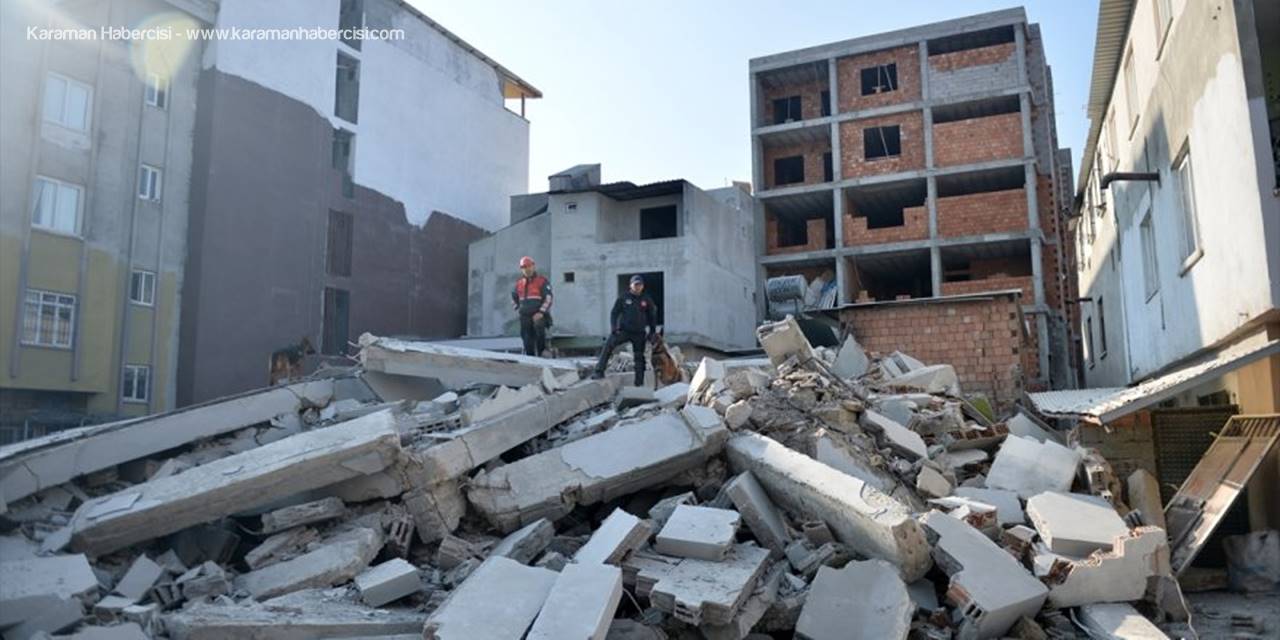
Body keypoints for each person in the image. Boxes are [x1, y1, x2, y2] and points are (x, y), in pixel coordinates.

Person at [592, 274, 658, 385]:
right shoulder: (623, 298)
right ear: (631, 285)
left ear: (642, 286)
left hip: (639, 333)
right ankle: (599, 371)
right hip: (624, 331)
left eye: (640, 285)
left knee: (639, 358)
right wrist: (614, 328)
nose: (638, 287)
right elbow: (614, 313)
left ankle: (639, 384)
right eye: (635, 285)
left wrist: (652, 332)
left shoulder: (646, 299)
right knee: (608, 345)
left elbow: (652, 316)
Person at [511, 256, 552, 356]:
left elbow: (548, 298)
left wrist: (541, 312)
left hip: (538, 315)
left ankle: (542, 353)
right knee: (526, 338)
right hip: (525, 316)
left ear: (533, 266)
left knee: (539, 329)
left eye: (529, 266)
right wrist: (517, 307)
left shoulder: (542, 281)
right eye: (524, 267)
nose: (527, 269)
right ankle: (530, 358)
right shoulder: (519, 284)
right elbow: (514, 297)